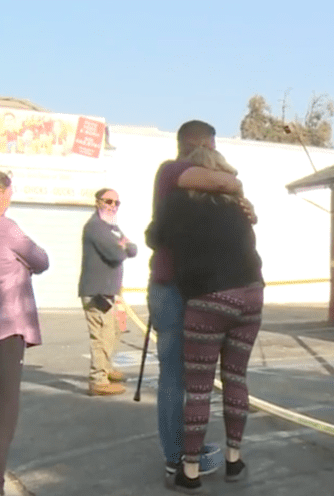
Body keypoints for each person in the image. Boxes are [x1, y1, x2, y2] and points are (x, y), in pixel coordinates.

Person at [146, 120, 255, 483]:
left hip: (194, 290)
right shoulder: (172, 171)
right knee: (186, 379)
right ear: (201, 146)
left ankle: (185, 462)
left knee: (189, 381)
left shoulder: (182, 195)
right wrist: (237, 189)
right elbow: (227, 181)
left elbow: (153, 235)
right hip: (180, 290)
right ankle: (183, 458)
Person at [0, 169, 49, 496]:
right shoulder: (3, 227)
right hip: (3, 331)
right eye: (9, 191)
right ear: (0, 194)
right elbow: (41, 259)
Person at [79, 188, 137, 397]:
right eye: (108, 201)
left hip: (111, 291)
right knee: (101, 336)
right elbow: (115, 254)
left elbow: (133, 249)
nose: (112, 206)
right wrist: (121, 247)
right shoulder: (95, 227)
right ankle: (98, 379)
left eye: (116, 203)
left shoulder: (112, 228)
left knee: (114, 331)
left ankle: (106, 367)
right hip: (97, 292)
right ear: (97, 202)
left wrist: (123, 246)